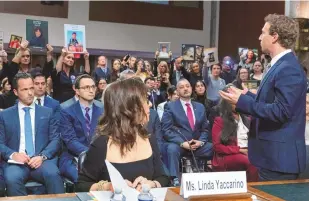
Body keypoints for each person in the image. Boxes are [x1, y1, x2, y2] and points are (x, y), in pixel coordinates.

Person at [219, 14, 307, 181]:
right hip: (272, 157)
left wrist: (242, 101)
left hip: (280, 160)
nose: (259, 37)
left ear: (275, 37)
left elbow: (281, 111)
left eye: (263, 32)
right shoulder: (280, 65)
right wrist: (248, 96)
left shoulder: (288, 68)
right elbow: (272, 103)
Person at [76, 78, 169, 192]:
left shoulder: (149, 138)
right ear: (128, 108)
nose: (149, 104)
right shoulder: (101, 144)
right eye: (145, 100)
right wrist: (107, 186)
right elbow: (81, 186)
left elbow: (163, 177)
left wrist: (151, 184)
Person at [0, 73, 64, 196]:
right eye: (24, 89)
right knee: (12, 179)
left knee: (53, 174)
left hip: (42, 161)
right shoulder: (5, 115)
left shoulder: (47, 112)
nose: (30, 93)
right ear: (15, 92)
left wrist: (42, 156)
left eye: (31, 88)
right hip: (16, 163)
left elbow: (56, 140)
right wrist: (14, 154)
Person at [161, 78, 213, 186]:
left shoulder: (200, 107)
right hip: (180, 145)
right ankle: (174, 180)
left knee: (214, 147)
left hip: (197, 145)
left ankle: (214, 177)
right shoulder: (170, 106)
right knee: (171, 149)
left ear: (191, 88)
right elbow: (166, 130)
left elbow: (205, 129)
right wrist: (182, 143)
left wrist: (201, 142)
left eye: (187, 86)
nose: (185, 89)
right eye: (181, 87)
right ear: (177, 91)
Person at [59, 75, 104, 183]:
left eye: (93, 87)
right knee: (83, 181)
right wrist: (90, 153)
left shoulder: (103, 109)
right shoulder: (67, 110)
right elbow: (70, 140)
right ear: (77, 91)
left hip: (99, 156)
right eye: (86, 87)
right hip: (73, 156)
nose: (91, 90)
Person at [212, 85, 258, 182]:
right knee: (251, 162)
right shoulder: (220, 120)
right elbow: (217, 147)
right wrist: (239, 150)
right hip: (228, 156)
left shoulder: (247, 119)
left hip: (248, 152)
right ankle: (253, 190)